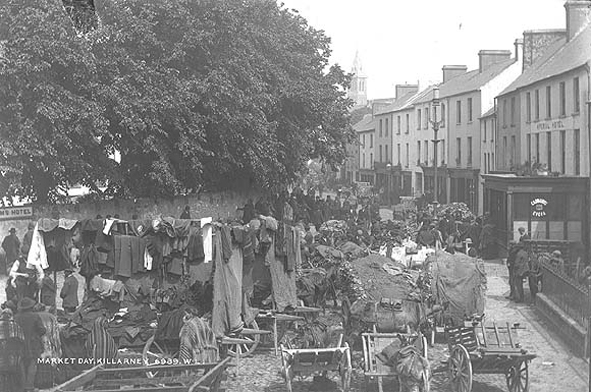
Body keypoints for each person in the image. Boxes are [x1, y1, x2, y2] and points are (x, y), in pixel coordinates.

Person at [14, 298, 46, 392]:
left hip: (20, 344)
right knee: (32, 365)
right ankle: (30, 386)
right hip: (33, 344)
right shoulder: (35, 316)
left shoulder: (16, 317)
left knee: (22, 365)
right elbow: (42, 330)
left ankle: (23, 387)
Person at [0, 308, 25, 392]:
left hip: (1, 354)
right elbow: (22, 340)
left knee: (2, 373)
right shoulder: (16, 326)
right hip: (13, 354)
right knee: (13, 373)